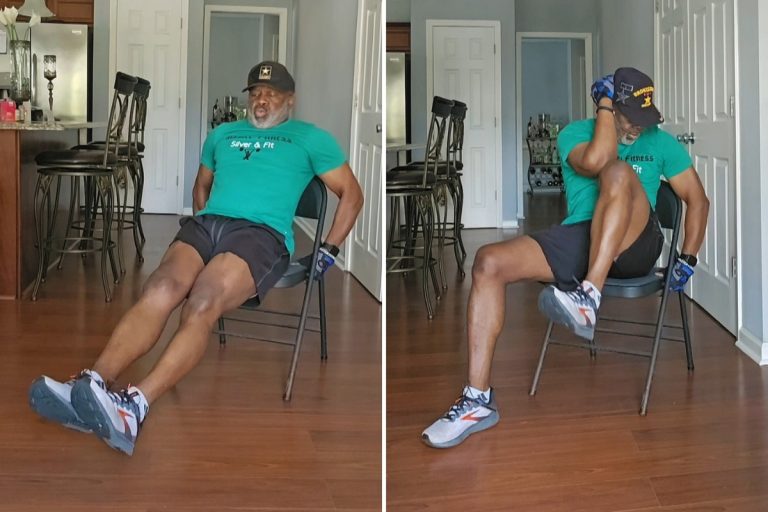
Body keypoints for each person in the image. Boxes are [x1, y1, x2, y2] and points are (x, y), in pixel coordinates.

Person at [27, 61, 364, 456]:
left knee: (201, 302)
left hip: (261, 235)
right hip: (208, 226)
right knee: (160, 288)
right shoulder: (222, 134)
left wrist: (328, 251)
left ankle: (133, 407)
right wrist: (203, 231)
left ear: (290, 100)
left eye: (271, 94)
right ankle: (91, 386)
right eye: (255, 92)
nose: (261, 100)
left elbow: (352, 195)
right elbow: (201, 186)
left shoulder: (310, 138)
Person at [421, 67, 709, 449]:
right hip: (582, 236)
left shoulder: (662, 143)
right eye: (631, 117)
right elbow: (595, 161)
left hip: (638, 241)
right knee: (489, 262)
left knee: (621, 173)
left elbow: (697, 200)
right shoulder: (574, 134)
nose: (639, 127)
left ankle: (588, 295)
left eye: (645, 118)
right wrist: (604, 105)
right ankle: (477, 400)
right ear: (608, 107)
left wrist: (688, 257)